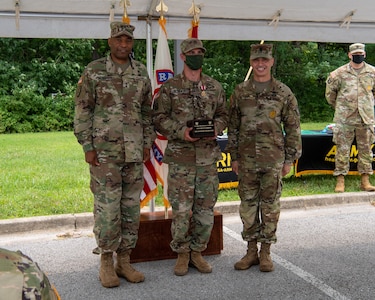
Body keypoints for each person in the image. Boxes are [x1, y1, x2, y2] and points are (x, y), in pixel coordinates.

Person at [74, 22, 154, 288]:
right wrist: (87, 146)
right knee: (107, 209)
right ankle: (106, 261)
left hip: (134, 153)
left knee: (130, 208)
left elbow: (146, 112)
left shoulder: (141, 72)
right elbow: (83, 110)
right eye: (118, 40)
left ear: (132, 43)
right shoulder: (94, 71)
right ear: (109, 41)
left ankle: (125, 260)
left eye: (128, 40)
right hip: (104, 155)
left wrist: (146, 143)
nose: (123, 44)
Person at [152, 38, 228, 276]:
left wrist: (217, 126)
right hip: (181, 160)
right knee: (182, 211)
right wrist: (181, 132)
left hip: (207, 160)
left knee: (205, 210)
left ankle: (197, 252)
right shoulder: (170, 87)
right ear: (183, 57)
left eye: (200, 52)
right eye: (192, 52)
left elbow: (225, 114)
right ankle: (182, 254)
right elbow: (159, 118)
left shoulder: (214, 87)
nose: (196, 55)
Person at [226, 44, 302, 272]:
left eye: (264, 60)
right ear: (251, 62)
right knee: (248, 206)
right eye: (256, 60)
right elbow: (233, 126)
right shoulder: (240, 91)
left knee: (270, 206)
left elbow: (293, 126)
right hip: (247, 159)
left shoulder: (283, 92)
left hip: (273, 159)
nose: (260, 64)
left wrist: (290, 159)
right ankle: (250, 251)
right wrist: (234, 156)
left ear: (271, 62)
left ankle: (266, 252)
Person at [326, 43, 375, 193]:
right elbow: (330, 95)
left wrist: (367, 105)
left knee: (366, 149)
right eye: (355, 53)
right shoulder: (338, 74)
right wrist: (341, 108)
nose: (358, 55)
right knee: (342, 149)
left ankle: (365, 181)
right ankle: (340, 180)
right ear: (349, 55)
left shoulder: (373, 72)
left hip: (365, 118)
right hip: (345, 118)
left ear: (364, 55)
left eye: (361, 53)